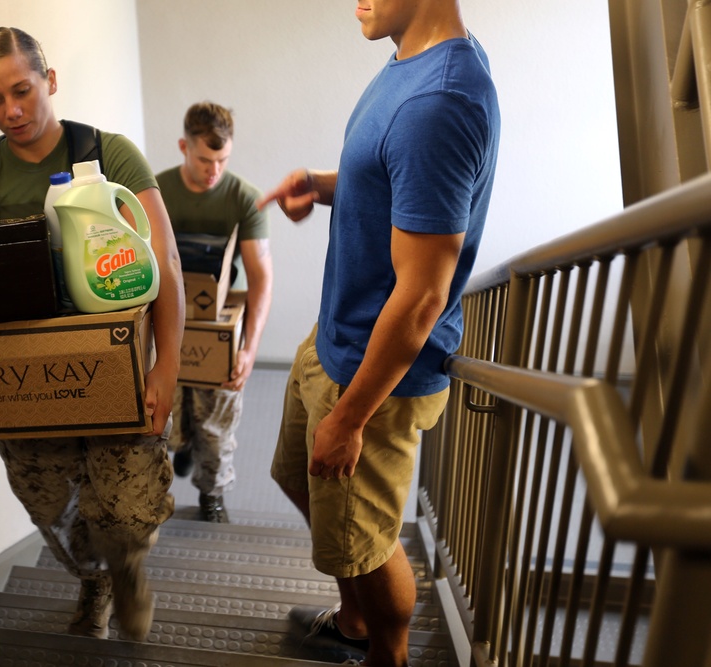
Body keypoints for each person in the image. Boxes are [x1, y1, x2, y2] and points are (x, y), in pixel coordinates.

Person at [0, 27, 185, 643]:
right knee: (50, 507)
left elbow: (166, 264)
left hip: (116, 372)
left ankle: (125, 566)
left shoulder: (111, 156)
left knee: (127, 511)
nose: (12, 111)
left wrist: (166, 371)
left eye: (22, 91)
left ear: (49, 81)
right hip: (25, 385)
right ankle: (94, 577)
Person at [256, 2, 500, 666]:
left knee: (365, 539)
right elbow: (391, 180)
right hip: (335, 340)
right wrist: (323, 184)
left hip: (373, 380)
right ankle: (356, 617)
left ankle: (385, 652)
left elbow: (421, 295)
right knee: (297, 479)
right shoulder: (407, 65)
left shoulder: (439, 103)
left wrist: (351, 414)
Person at [156, 102, 273, 523]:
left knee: (217, 426)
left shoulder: (243, 198)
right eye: (205, 160)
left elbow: (260, 276)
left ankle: (212, 497)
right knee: (163, 419)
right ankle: (179, 452)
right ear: (183, 146)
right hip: (165, 320)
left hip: (215, 325)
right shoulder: (155, 191)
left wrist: (249, 349)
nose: (214, 171)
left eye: (222, 160)